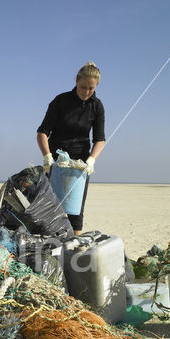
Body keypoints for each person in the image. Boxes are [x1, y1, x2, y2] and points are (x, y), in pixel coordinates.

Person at [37, 61, 105, 235]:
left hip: (79, 165)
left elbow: (99, 139)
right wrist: (47, 157)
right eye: (83, 87)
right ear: (76, 81)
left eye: (91, 88)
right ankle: (49, 245)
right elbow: (42, 133)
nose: (86, 92)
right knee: (50, 207)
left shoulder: (96, 106)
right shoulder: (60, 101)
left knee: (75, 209)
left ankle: (74, 244)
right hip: (55, 162)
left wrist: (91, 161)